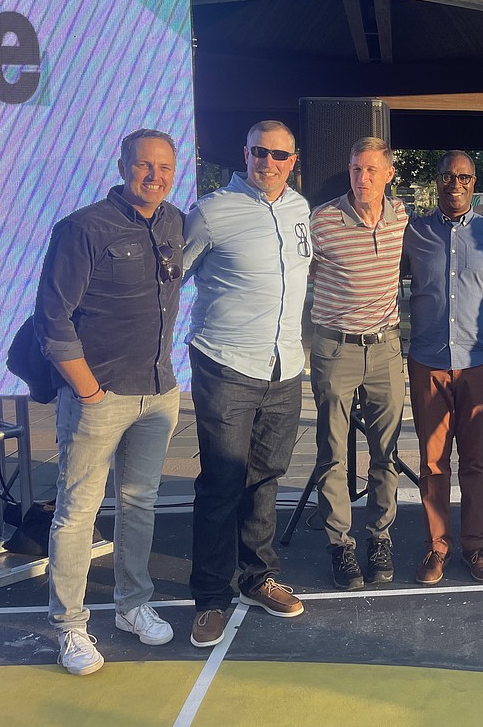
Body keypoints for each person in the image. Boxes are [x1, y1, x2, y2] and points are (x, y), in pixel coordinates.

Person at [36, 129, 184, 675]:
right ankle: (70, 627)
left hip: (159, 392)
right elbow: (53, 321)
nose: (155, 176)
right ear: (123, 165)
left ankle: (131, 605)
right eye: (145, 166)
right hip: (99, 396)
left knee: (139, 505)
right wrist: (89, 391)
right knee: (78, 514)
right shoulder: (83, 228)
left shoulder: (172, 222)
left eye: (165, 168)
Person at [183, 120, 311, 647]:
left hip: (285, 369)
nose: (269, 162)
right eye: (260, 152)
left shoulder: (300, 209)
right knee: (220, 484)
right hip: (226, 366)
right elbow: (171, 283)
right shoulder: (211, 212)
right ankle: (210, 597)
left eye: (279, 155)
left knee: (264, 478)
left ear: (292, 160)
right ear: (245, 153)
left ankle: (257, 577)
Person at [402, 150, 483, 585]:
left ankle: (475, 548)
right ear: (436, 182)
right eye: (446, 177)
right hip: (428, 365)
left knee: (475, 463)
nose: (454, 184)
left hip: (479, 367)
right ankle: (436, 549)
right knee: (432, 463)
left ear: (474, 183)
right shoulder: (413, 232)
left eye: (463, 177)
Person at [309, 137, 408, 589]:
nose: (361, 179)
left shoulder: (402, 216)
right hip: (335, 348)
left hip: (386, 348)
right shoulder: (322, 220)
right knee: (332, 453)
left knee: (385, 452)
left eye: (371, 170)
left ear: (388, 173)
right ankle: (340, 546)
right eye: (354, 169)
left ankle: (379, 537)